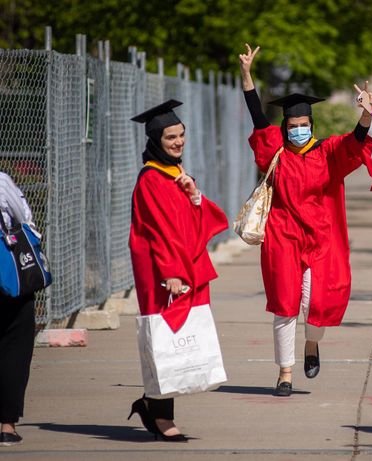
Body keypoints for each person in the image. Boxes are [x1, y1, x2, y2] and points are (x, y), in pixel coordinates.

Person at [238, 44, 372, 396]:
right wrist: (247, 77)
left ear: (311, 125)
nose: (298, 131)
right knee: (285, 305)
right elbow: (259, 121)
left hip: (321, 239)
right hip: (283, 238)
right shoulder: (276, 153)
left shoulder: (328, 152)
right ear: (285, 127)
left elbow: (355, 143)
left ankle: (311, 344)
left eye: (304, 125)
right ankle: (285, 373)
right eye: (292, 126)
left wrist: (367, 114)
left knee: (314, 304)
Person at [128, 100, 228, 441]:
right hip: (163, 272)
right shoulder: (152, 179)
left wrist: (195, 195)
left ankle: (151, 405)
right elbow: (160, 230)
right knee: (164, 337)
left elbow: (198, 223)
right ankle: (161, 416)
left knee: (177, 340)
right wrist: (171, 272)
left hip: (186, 267)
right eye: (171, 136)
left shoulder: (177, 175)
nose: (178, 141)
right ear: (156, 139)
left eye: (182, 135)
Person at [0, 172, 41, 446]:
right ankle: (6, 424)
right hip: (6, 277)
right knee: (15, 345)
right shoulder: (1, 181)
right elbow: (24, 218)